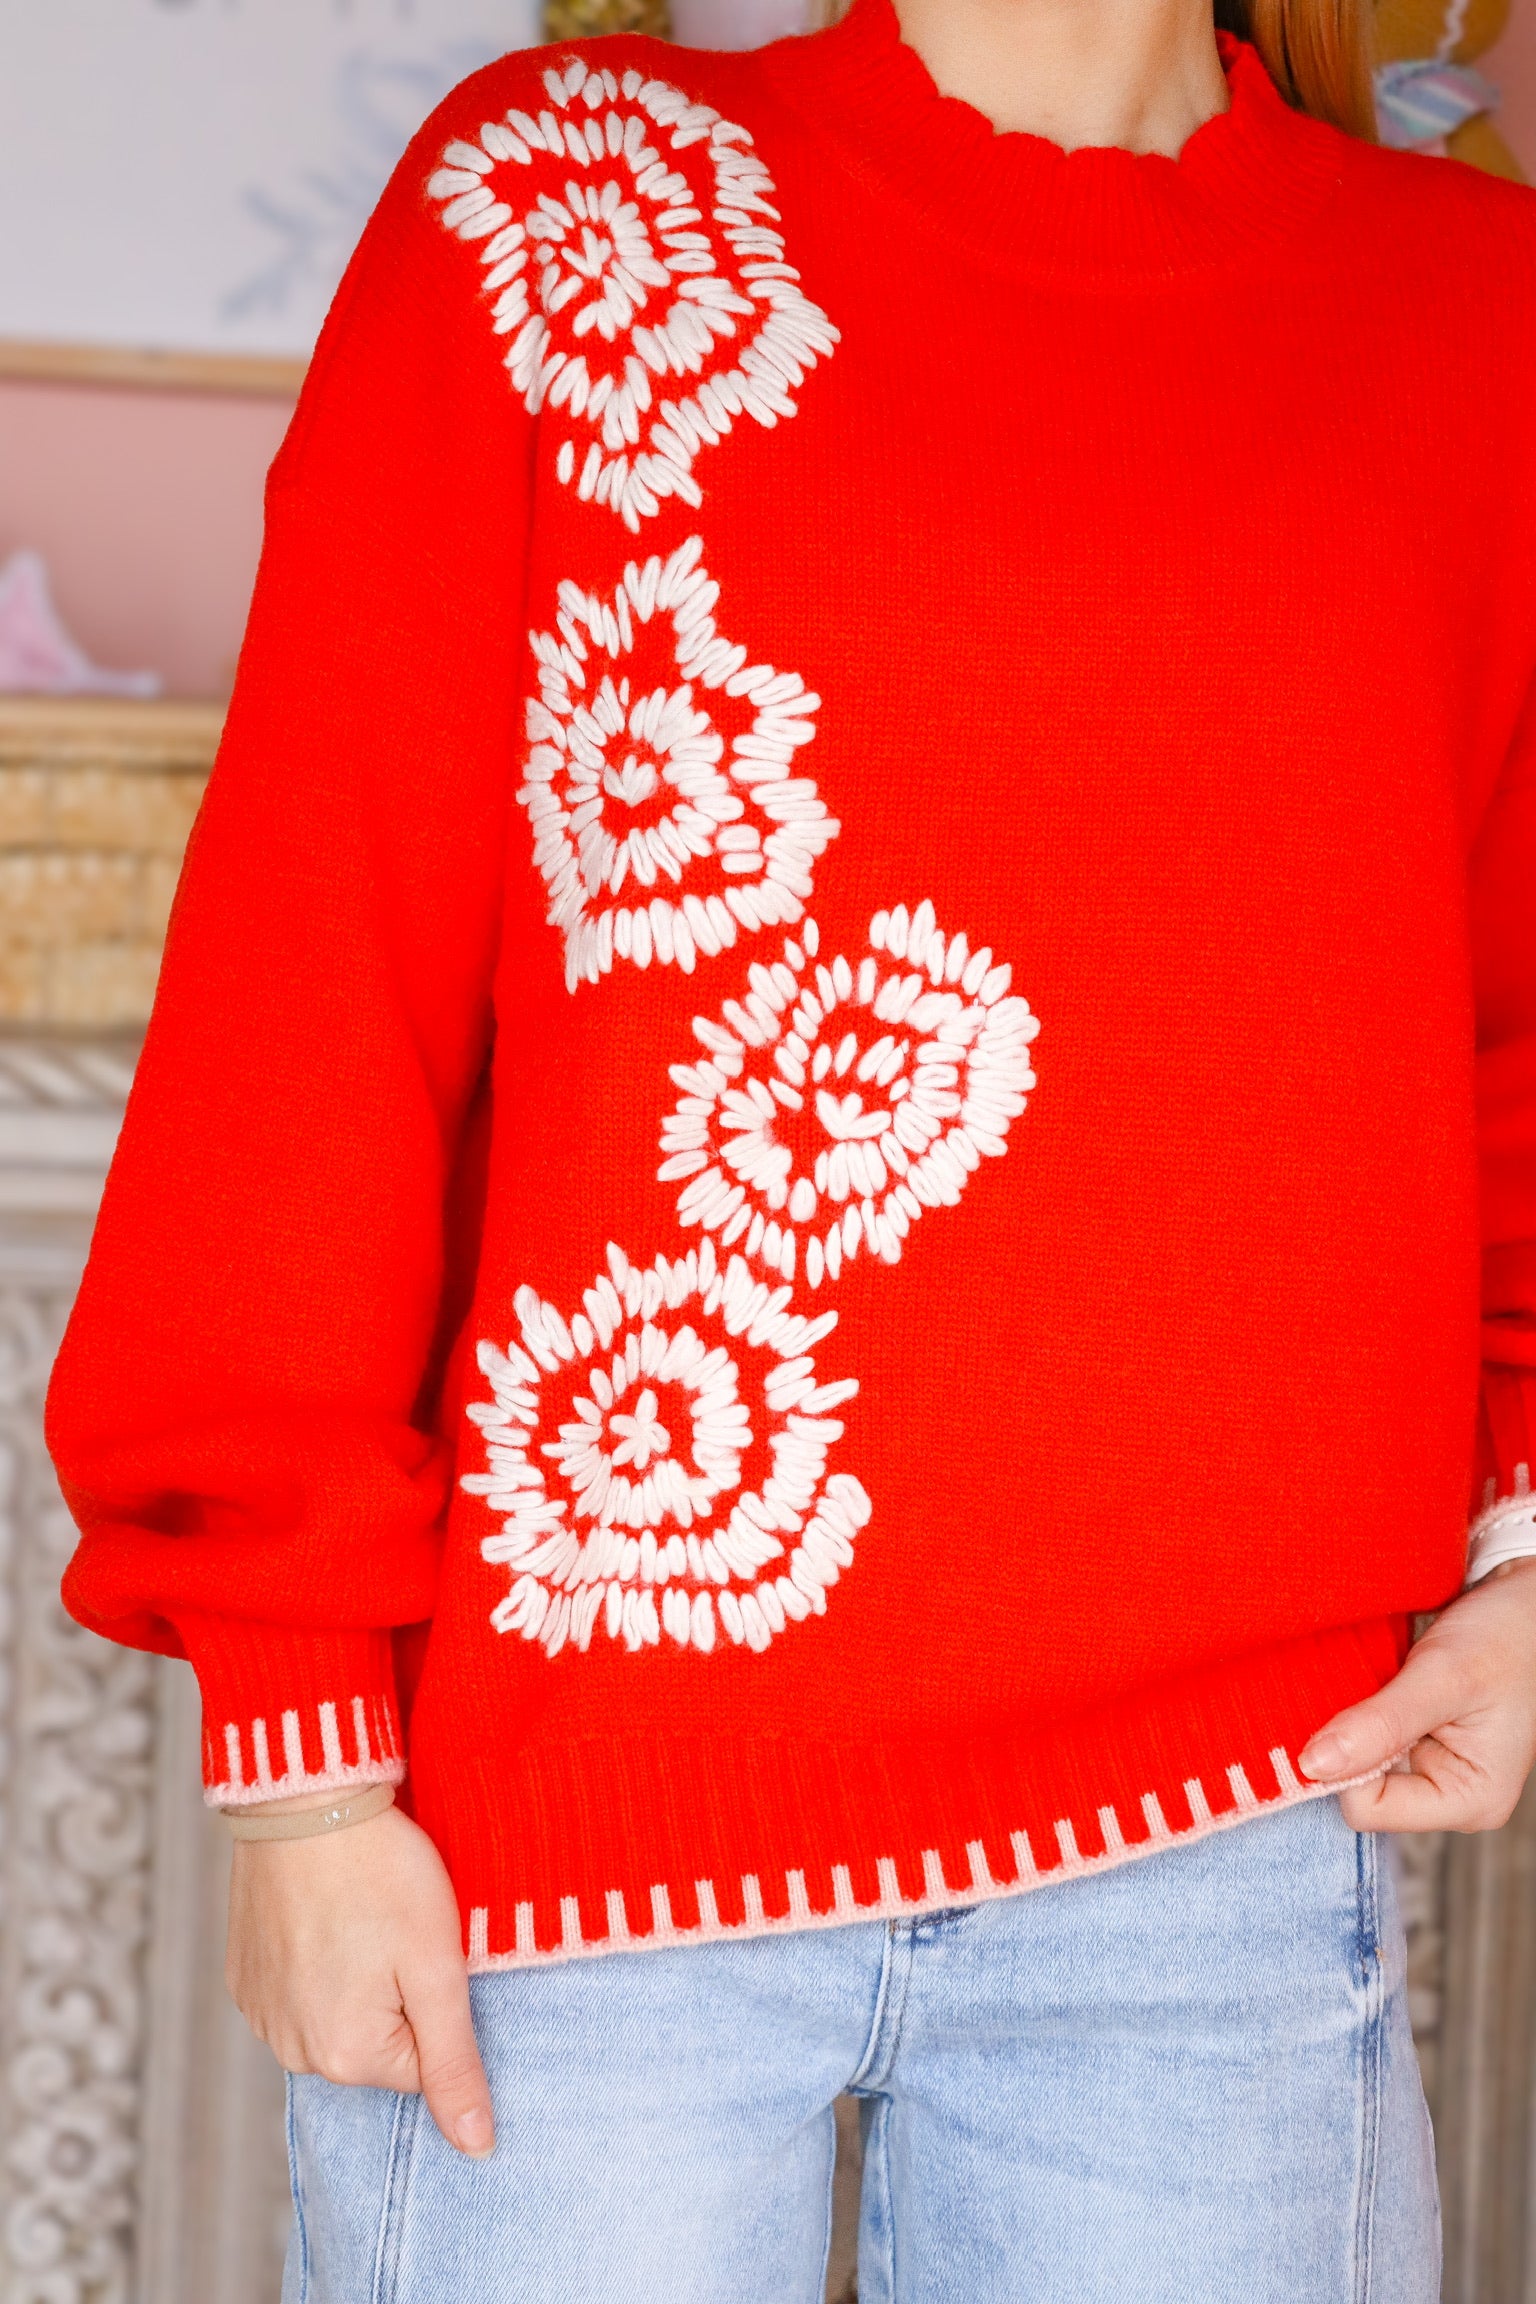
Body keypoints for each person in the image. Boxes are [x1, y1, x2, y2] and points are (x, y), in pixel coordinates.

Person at [45, 0, 1536, 2291]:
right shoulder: (569, 199)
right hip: (570, 1871)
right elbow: (315, 984)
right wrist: (302, 1763)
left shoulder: (1478, 320)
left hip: (1228, 1843)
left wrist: (1531, 1558)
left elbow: (1510, 1023)